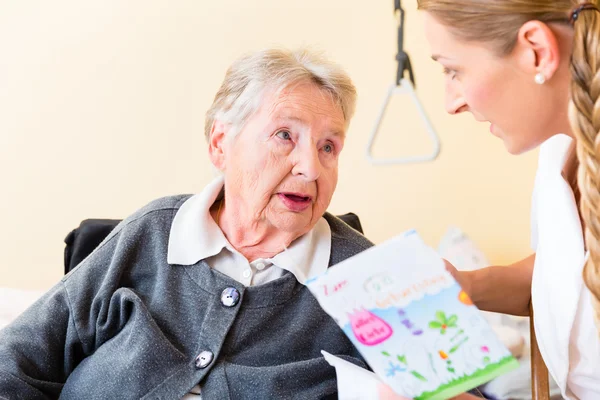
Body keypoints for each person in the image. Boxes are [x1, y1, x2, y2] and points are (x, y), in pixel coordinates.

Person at [0, 48, 374, 399]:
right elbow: (15, 363)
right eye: (284, 136)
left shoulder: (365, 277)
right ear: (220, 144)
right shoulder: (152, 233)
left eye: (328, 146)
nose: (310, 167)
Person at [382, 1, 600, 399]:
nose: (452, 103)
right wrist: (464, 285)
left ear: (536, 51)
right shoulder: (557, 160)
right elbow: (569, 279)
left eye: (453, 70)